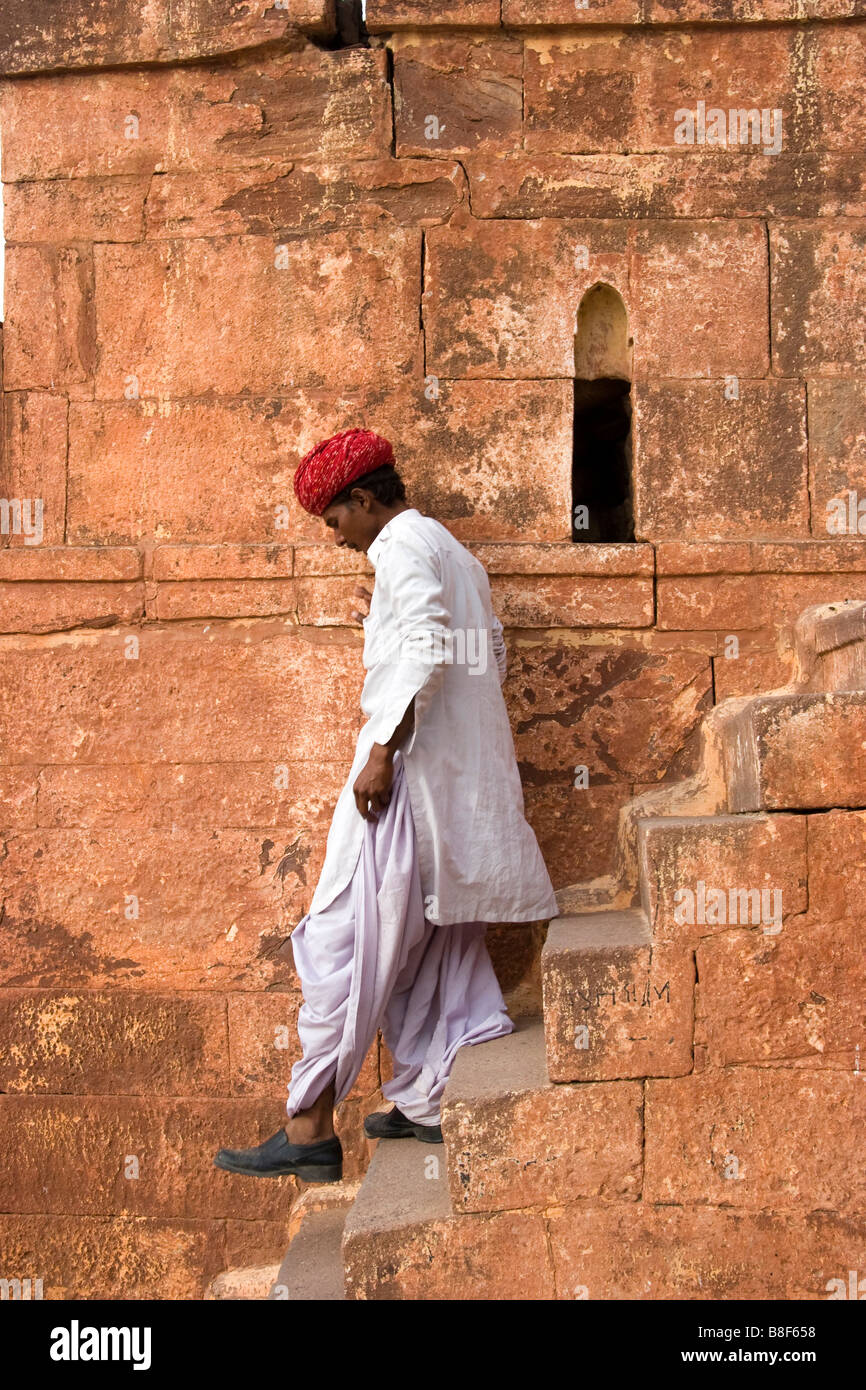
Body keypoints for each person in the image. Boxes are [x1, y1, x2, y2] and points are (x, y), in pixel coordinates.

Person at [214, 428, 559, 1184]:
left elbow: (431, 648)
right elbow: (486, 654)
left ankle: (307, 1126)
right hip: (446, 784)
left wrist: (381, 756)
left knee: (346, 937)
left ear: (364, 500)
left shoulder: (401, 546)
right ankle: (426, 1097)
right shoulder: (451, 550)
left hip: (401, 779)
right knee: (430, 945)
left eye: (335, 520)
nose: (336, 538)